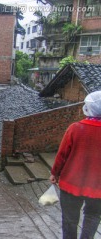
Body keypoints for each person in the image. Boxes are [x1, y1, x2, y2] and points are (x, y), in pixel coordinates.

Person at [49, 91, 101, 239]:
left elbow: (62, 155)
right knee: (93, 216)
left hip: (71, 183)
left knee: (70, 220)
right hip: (98, 187)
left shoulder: (75, 128)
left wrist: (55, 173)